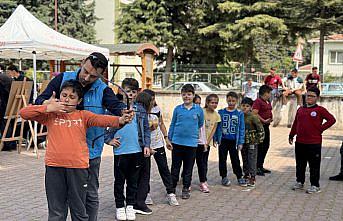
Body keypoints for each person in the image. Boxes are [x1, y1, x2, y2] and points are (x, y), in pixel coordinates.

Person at [19, 80, 132, 221]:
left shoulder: (83, 115)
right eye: (64, 95)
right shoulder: (51, 115)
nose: (66, 99)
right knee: (56, 212)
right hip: (54, 167)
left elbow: (103, 119)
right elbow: (23, 113)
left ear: (79, 101)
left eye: (72, 97)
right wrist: (48, 107)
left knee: (79, 211)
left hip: (78, 168)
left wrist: (122, 119)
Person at [35, 52, 125, 221]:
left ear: (101, 75)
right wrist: (48, 104)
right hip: (62, 155)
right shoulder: (62, 78)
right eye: (85, 71)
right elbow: (39, 101)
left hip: (90, 152)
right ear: (83, 62)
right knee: (59, 201)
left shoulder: (102, 88)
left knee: (90, 195)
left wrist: (124, 112)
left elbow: (116, 106)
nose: (86, 77)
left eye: (93, 76)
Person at [105, 78, 151, 221]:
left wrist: (147, 145)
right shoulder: (115, 109)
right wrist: (109, 140)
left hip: (136, 150)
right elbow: (104, 126)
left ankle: (130, 206)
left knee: (133, 181)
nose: (130, 94)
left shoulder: (141, 110)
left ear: (137, 93)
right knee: (119, 181)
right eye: (127, 91)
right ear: (121, 91)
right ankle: (120, 206)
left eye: (133, 92)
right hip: (120, 151)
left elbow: (146, 129)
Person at [289, 87, 336, 194]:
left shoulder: (320, 110)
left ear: (317, 98)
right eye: (307, 95)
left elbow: (332, 120)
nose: (309, 98)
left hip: (314, 143)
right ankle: (300, 181)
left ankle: (315, 185)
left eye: (312, 96)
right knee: (300, 164)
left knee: (314, 165)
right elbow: (296, 123)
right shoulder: (300, 109)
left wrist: (320, 129)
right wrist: (291, 135)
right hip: (300, 142)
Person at [143, 89, 179, 206]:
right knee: (145, 170)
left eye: (154, 99)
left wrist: (166, 138)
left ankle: (171, 193)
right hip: (146, 145)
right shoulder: (141, 111)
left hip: (158, 143)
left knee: (164, 168)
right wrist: (148, 128)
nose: (153, 102)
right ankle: (146, 194)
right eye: (151, 99)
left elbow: (161, 124)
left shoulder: (157, 110)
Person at [167, 84, 204, 200]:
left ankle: (186, 188)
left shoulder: (198, 110)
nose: (186, 97)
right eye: (184, 94)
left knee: (188, 168)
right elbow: (173, 124)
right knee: (175, 168)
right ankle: (171, 189)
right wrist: (169, 139)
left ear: (193, 95)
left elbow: (200, 123)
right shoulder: (178, 109)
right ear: (181, 95)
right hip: (177, 143)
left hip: (192, 144)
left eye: (189, 94)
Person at [214, 91, 246, 187]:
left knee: (235, 159)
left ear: (236, 101)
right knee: (222, 159)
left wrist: (240, 142)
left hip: (233, 141)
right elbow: (216, 127)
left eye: (233, 101)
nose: (231, 103)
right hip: (223, 140)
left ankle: (239, 176)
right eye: (229, 101)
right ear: (226, 100)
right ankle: (223, 177)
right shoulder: (220, 112)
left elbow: (241, 128)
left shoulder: (239, 114)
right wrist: (216, 138)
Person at [196, 94, 221, 193]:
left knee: (203, 162)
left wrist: (207, 142)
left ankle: (203, 180)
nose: (214, 104)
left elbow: (214, 130)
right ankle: (185, 179)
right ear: (207, 103)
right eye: (212, 102)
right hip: (196, 141)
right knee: (191, 161)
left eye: (216, 103)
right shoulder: (201, 112)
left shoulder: (217, 116)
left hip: (206, 143)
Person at [241, 97, 265, 187]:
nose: (245, 108)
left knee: (252, 158)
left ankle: (253, 176)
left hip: (252, 141)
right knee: (244, 158)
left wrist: (259, 140)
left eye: (247, 106)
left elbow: (260, 128)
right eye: (243, 105)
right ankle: (246, 174)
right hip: (243, 141)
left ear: (251, 107)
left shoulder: (253, 117)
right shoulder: (240, 116)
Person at [252, 85, 273, 176]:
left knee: (266, 146)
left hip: (266, 126)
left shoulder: (267, 101)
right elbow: (254, 113)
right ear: (265, 93)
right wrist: (263, 120)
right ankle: (256, 167)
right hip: (260, 127)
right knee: (260, 147)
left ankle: (260, 165)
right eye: (269, 93)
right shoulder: (258, 101)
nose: (270, 95)